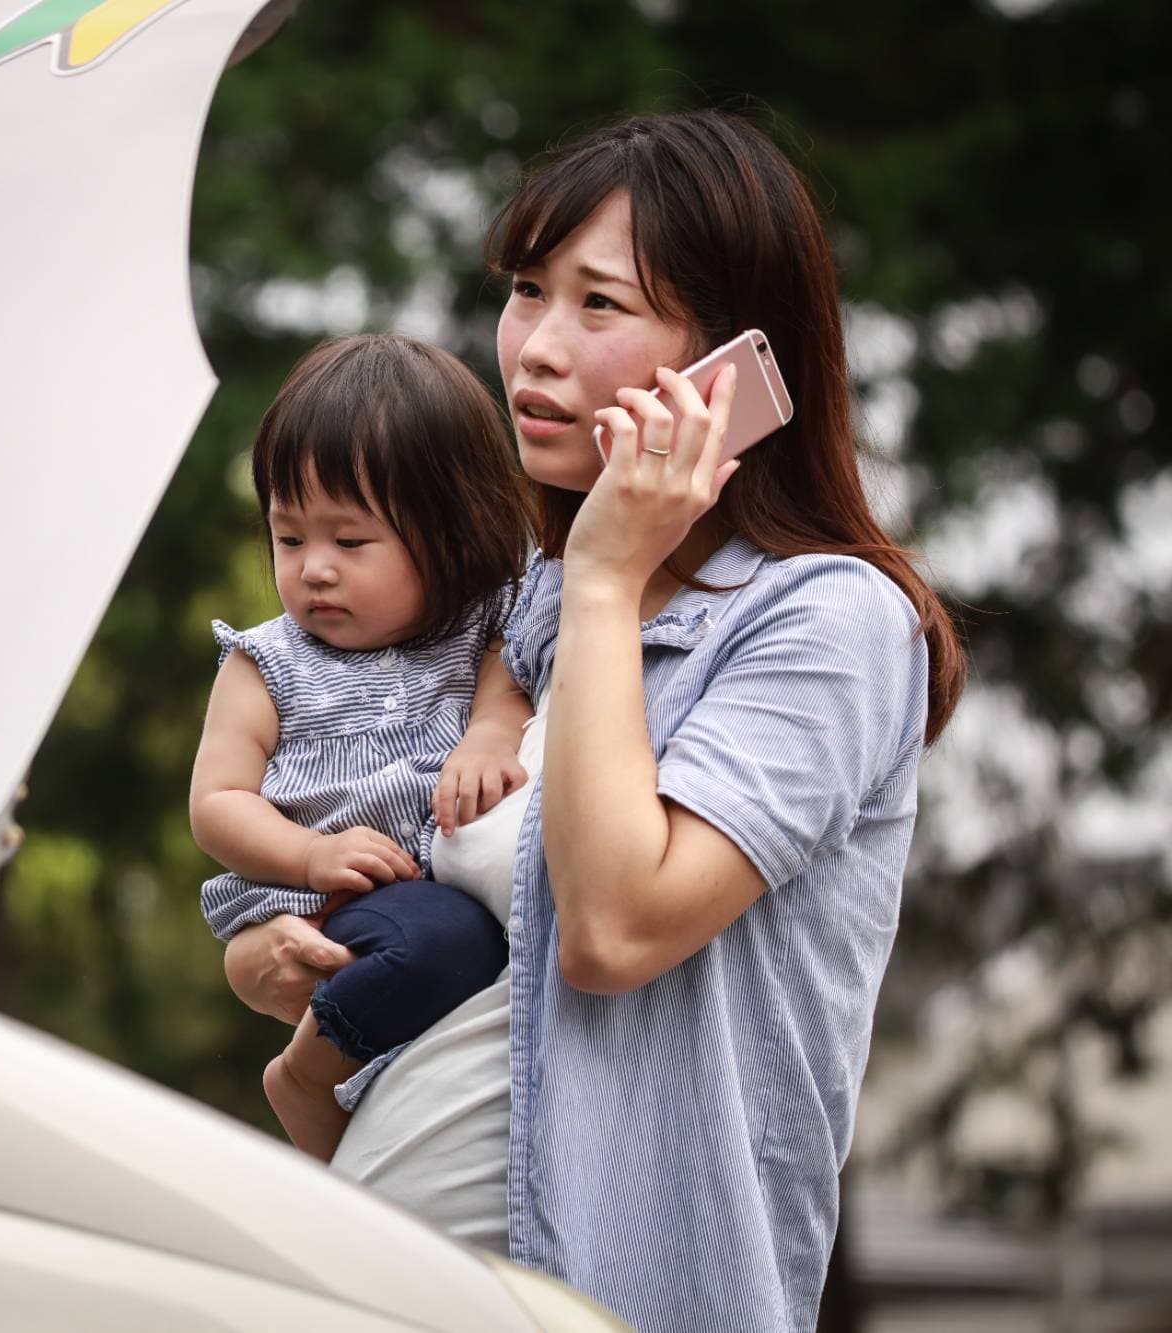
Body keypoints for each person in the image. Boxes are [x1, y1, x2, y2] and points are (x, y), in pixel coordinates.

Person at [219, 110, 967, 1332]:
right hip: (385, 1262)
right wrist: (298, 957)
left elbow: (613, 931)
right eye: (525, 291)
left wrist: (614, 573)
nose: (535, 349)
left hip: (608, 1294)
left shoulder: (826, 621)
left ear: (731, 357)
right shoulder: (520, 619)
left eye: (599, 304)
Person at [191, 333, 537, 1161]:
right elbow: (217, 804)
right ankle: (306, 1076)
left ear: (453, 532)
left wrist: (488, 738)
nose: (314, 570)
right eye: (289, 537)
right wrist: (311, 856)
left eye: (350, 543)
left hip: (427, 893)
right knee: (445, 940)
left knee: (460, 950)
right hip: (323, 895)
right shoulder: (262, 661)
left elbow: (503, 703)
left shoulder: (486, 625)